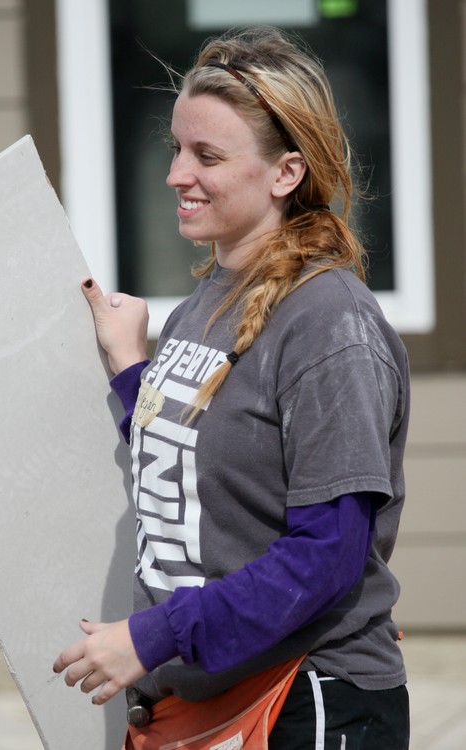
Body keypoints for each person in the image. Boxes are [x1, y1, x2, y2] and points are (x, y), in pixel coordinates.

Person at [53, 27, 410, 749]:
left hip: (310, 704)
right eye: (176, 148)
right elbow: (189, 468)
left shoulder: (328, 324)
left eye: (207, 156)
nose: (176, 175)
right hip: (206, 708)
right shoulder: (202, 306)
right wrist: (131, 374)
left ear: (285, 173)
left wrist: (153, 636)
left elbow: (327, 558)